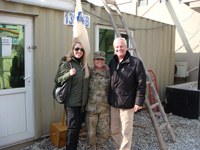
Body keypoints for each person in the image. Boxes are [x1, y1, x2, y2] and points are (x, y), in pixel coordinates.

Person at [108, 37, 146, 150]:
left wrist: (139, 102)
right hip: (114, 103)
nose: (119, 48)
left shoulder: (135, 63)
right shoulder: (112, 61)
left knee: (126, 131)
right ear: (114, 48)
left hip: (127, 103)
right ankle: (117, 147)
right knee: (115, 130)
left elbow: (141, 84)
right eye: (117, 47)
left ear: (126, 47)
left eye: (121, 46)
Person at [54, 39, 89, 150]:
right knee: (72, 129)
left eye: (81, 49)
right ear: (72, 49)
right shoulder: (66, 63)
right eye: (77, 49)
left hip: (81, 103)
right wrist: (69, 74)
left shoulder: (83, 64)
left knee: (78, 127)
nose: (79, 51)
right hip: (71, 103)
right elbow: (57, 80)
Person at [85, 51, 110, 150]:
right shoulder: (89, 72)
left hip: (105, 108)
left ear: (105, 60)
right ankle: (92, 147)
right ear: (93, 60)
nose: (99, 61)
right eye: (97, 59)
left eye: (102, 59)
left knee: (103, 131)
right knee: (91, 132)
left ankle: (99, 146)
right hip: (91, 108)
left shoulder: (109, 72)